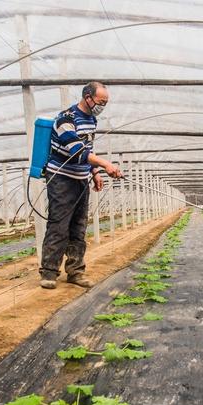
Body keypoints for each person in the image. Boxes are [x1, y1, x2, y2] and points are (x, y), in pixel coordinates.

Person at [39, 81, 122, 289]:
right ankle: (49, 272)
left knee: (78, 227)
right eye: (101, 101)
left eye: (106, 103)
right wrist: (104, 164)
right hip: (61, 178)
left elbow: (88, 147)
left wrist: (94, 172)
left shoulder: (91, 120)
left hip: (81, 179)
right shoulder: (66, 119)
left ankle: (75, 271)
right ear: (88, 97)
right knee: (59, 225)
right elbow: (77, 151)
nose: (102, 106)